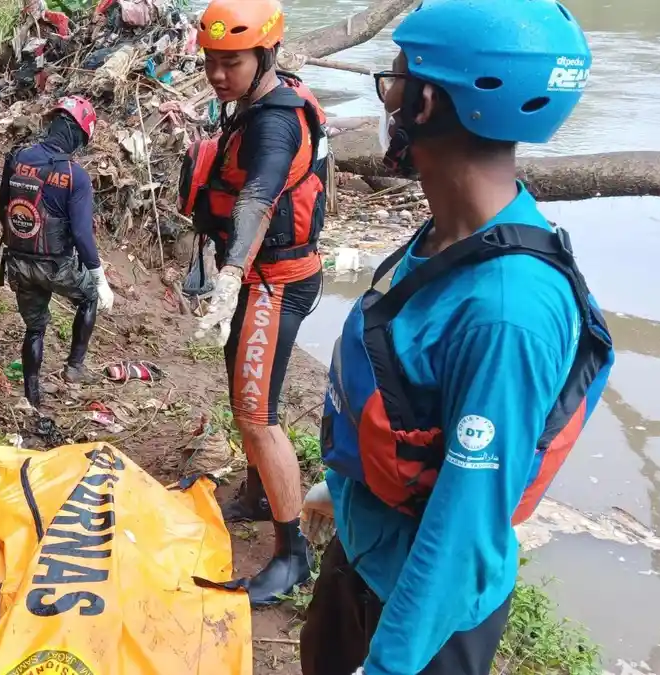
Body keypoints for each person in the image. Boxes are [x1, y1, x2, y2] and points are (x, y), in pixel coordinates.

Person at [301, 2, 615, 674]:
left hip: (423, 620)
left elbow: (466, 524)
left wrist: (387, 665)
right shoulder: (449, 236)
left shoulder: (507, 311)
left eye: (395, 78)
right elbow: (414, 400)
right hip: (366, 553)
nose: (386, 95)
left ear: (428, 103)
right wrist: (346, 487)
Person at [186, 0, 328, 606]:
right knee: (245, 394)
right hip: (255, 276)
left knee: (257, 412)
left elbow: (259, 196)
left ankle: (291, 552)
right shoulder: (255, 102)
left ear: (265, 54)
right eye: (211, 62)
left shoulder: (274, 123)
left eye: (231, 62)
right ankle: (256, 494)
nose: (218, 74)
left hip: (275, 278)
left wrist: (231, 272)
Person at [0, 95, 115, 408]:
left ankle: (32, 399)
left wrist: (20, 242)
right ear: (77, 133)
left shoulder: (17, 157)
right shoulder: (75, 176)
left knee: (34, 329)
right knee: (88, 297)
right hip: (56, 265)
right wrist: (98, 276)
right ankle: (74, 368)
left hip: (18, 262)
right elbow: (80, 233)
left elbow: (2, 209)